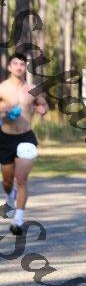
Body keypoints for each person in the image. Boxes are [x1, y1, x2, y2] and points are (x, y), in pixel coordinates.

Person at [0, 53, 49, 235]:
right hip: (5, 138)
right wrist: (4, 110)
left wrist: (42, 109)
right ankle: (9, 195)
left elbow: (43, 105)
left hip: (26, 137)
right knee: (7, 180)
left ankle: (18, 221)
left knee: (21, 179)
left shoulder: (32, 89)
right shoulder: (2, 88)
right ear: (9, 67)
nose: (19, 67)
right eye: (15, 63)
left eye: (22, 64)